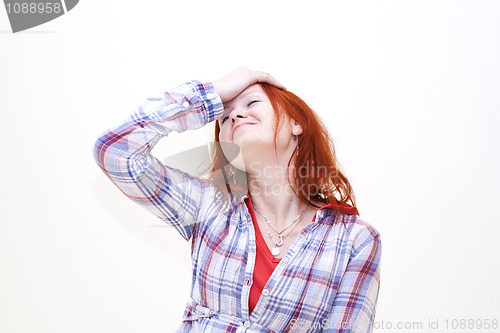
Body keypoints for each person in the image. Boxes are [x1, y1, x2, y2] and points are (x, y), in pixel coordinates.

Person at [94, 67, 382, 332]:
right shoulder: (208, 205)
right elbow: (115, 151)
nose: (233, 116)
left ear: (297, 123)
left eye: (252, 103)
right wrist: (212, 93)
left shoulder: (355, 240)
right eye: (224, 115)